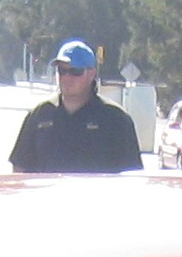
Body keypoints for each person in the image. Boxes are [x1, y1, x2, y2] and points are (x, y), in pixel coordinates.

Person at [9, 39, 142, 173]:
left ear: (92, 73)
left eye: (75, 71)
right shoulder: (40, 115)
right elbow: (20, 168)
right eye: (62, 70)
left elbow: (131, 175)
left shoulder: (116, 119)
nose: (67, 77)